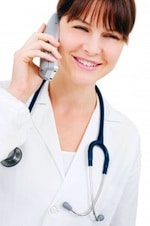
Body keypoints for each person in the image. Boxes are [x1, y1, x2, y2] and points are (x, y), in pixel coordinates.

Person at [0, 0, 141, 225]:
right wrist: (17, 94)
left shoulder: (125, 137)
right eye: (81, 28)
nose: (93, 48)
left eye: (111, 36)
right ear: (54, 26)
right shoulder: (7, 101)